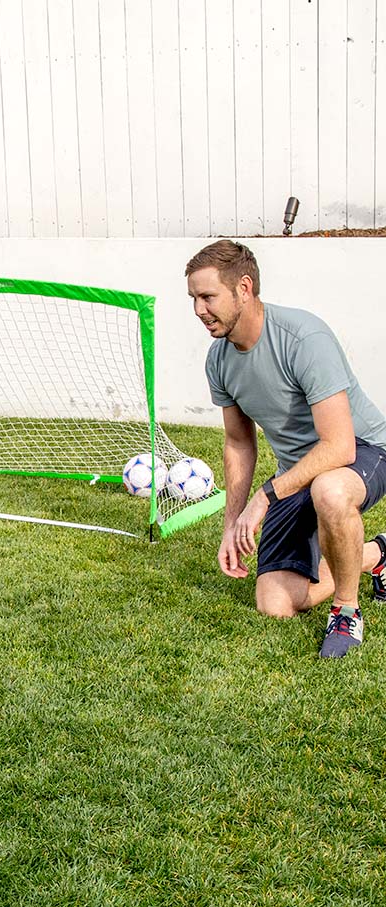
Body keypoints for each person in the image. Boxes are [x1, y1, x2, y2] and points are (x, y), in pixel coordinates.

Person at [185, 239, 386, 658]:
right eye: (194, 299)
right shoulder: (218, 360)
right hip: (300, 472)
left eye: (207, 297)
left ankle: (346, 613)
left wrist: (265, 496)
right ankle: (375, 555)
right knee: (275, 603)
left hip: (364, 449)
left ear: (244, 287)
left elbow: (339, 445)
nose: (199, 310)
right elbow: (239, 443)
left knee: (329, 491)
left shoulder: (303, 337)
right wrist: (233, 521)